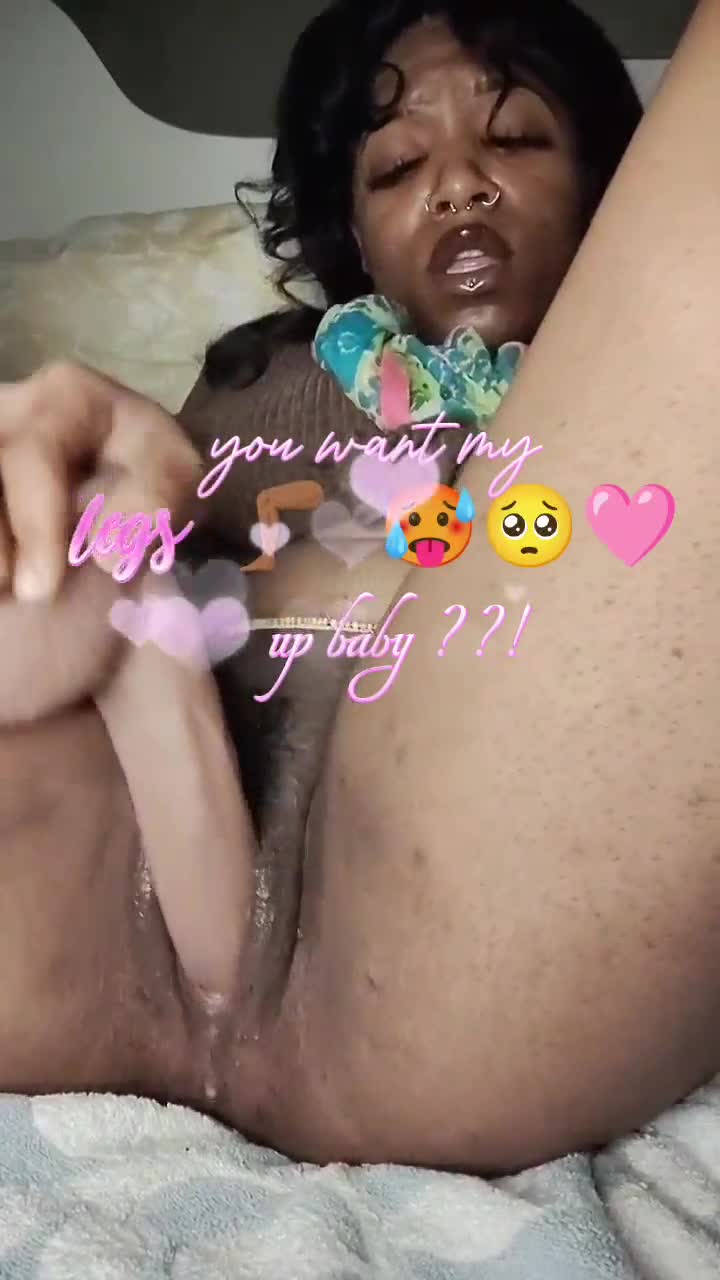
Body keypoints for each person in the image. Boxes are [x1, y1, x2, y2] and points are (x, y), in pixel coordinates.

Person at [1, 0, 717, 1176]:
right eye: (396, 167)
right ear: (357, 232)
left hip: (412, 939)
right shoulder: (255, 374)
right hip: (105, 887)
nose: (461, 184)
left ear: (609, 191)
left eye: (515, 139)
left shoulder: (663, 405)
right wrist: (107, 503)